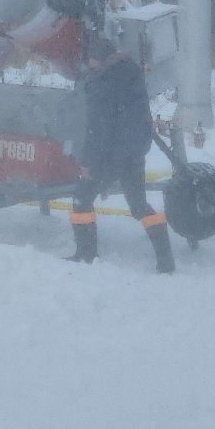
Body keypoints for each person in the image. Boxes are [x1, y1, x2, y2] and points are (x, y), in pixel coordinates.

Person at [70, 35, 175, 273]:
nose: (89, 64)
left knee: (82, 197)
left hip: (112, 154)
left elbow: (99, 128)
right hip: (134, 152)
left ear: (97, 59)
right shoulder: (131, 73)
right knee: (138, 205)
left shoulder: (102, 82)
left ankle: (86, 254)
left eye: (91, 59)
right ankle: (165, 260)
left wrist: (87, 162)